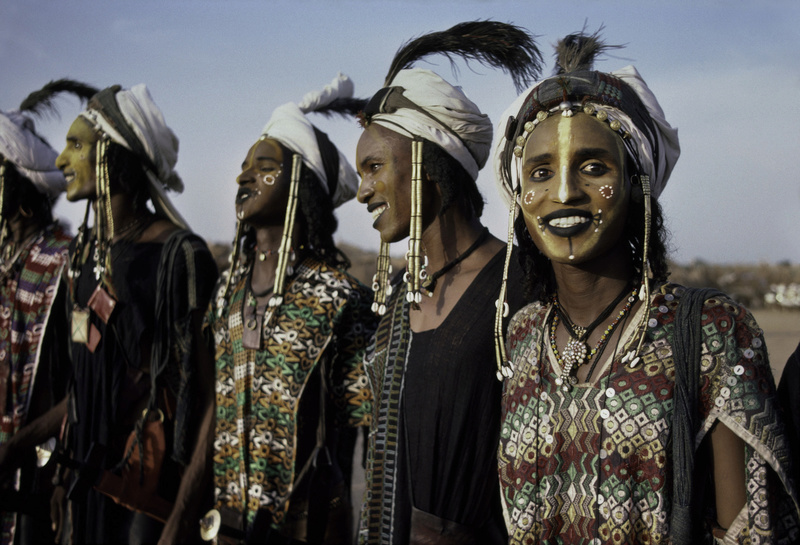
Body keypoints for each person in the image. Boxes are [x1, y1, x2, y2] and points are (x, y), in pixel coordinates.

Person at [493, 32, 800, 543]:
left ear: (637, 182)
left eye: (594, 167)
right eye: (541, 172)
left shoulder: (712, 331)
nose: (563, 192)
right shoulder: (523, 333)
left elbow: (748, 531)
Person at [2, 83, 219, 544]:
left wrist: (181, 518)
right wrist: (34, 458)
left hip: (148, 494)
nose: (62, 161)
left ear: (115, 158)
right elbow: (83, 394)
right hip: (86, 480)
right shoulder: (82, 257)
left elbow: (207, 398)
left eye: (77, 145)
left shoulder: (178, 256)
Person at [354, 21, 540, 544]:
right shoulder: (396, 294)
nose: (362, 191)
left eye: (373, 167)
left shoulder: (520, 284)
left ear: (426, 166)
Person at [186, 74, 376, 545]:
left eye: (263, 165)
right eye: (246, 164)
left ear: (301, 184)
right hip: (225, 524)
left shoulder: (339, 297)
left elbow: (356, 438)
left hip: (301, 528)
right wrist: (179, 516)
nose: (242, 175)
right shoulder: (227, 292)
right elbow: (216, 407)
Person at [0, 80, 95, 545]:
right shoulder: (4, 259)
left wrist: (18, 447)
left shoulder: (65, 262)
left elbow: (83, 384)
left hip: (40, 469)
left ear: (18, 183)